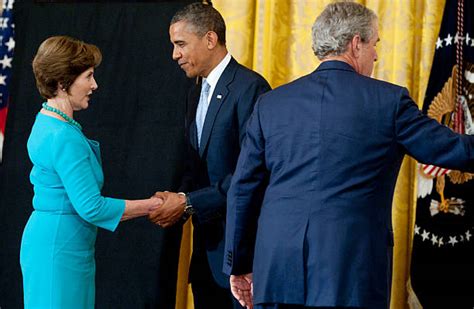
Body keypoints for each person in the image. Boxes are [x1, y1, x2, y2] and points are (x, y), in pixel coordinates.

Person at [223, 2, 474, 309]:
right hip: (348, 270)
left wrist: (238, 265)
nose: (377, 55)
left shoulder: (271, 104)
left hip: (277, 267)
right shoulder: (389, 101)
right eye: (375, 44)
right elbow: (454, 150)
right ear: (357, 43)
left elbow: (242, 189)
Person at [20, 36, 162, 308]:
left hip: (62, 244)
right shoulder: (63, 135)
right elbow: (92, 208)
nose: (94, 85)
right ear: (63, 83)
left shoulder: (48, 120)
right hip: (59, 249)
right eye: (89, 76)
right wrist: (153, 205)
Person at [148, 2, 271, 308]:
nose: (175, 55)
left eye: (180, 44)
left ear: (210, 39)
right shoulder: (194, 93)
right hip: (206, 252)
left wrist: (188, 202)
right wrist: (176, 198)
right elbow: (197, 166)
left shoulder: (250, 88)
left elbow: (251, 173)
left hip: (241, 256)